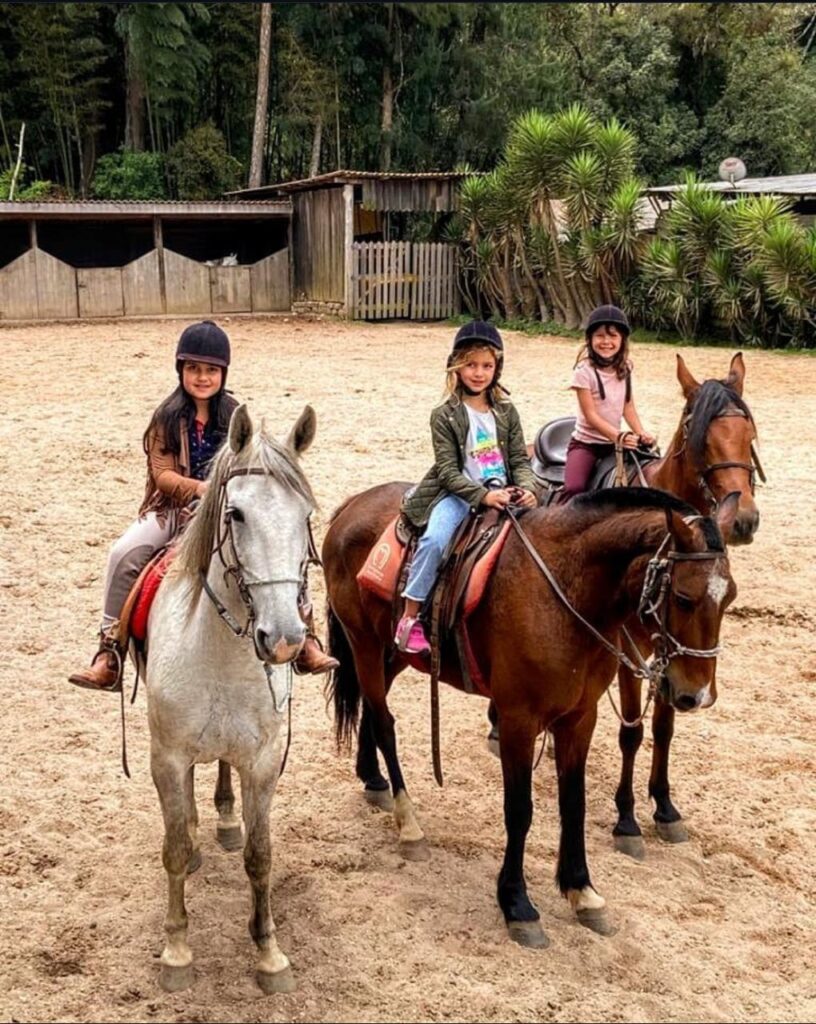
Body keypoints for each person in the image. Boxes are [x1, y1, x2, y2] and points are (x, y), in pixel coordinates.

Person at [68, 320, 337, 692]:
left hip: (225, 512)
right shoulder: (166, 417)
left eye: (211, 370)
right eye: (193, 368)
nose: (202, 377)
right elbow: (162, 474)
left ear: (223, 373)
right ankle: (109, 650)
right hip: (173, 511)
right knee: (123, 553)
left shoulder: (234, 416)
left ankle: (305, 637)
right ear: (181, 370)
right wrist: (200, 490)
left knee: (278, 550)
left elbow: (252, 468)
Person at [395, 320, 538, 655]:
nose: (478, 373)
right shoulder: (444, 415)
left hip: (504, 491)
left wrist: (528, 488)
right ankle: (410, 617)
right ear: (456, 367)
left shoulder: (506, 411)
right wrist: (483, 495)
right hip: (459, 495)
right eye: (471, 365)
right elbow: (447, 471)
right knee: (434, 540)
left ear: (496, 368)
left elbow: (518, 459)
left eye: (487, 366)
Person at [560, 304, 655, 502]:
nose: (606, 342)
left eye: (613, 336)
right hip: (587, 444)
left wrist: (640, 432)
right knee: (574, 487)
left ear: (622, 340)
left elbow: (627, 406)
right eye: (600, 335)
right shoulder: (583, 372)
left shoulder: (626, 368)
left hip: (615, 443)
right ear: (590, 339)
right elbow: (591, 415)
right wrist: (618, 436)